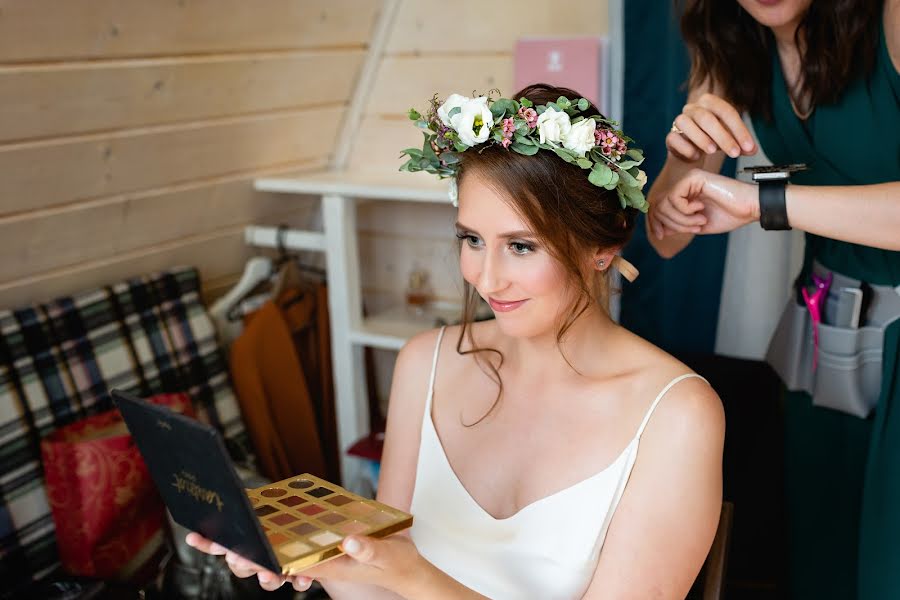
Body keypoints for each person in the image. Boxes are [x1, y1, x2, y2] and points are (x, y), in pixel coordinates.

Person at [187, 84, 725, 599]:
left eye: (520, 246)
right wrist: (317, 558)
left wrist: (416, 578)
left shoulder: (676, 414)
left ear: (601, 249)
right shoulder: (425, 364)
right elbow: (384, 589)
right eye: (471, 239)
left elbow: (407, 580)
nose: (486, 279)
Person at [645, 1, 899, 598]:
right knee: (821, 560)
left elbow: (755, 203)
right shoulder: (733, 43)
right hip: (827, 332)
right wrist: (684, 165)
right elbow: (668, 239)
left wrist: (766, 202)